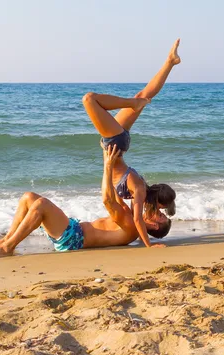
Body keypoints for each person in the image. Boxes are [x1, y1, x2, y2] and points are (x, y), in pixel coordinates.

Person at [0, 145, 171, 259]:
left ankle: (7, 248)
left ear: (154, 224)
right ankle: (5, 241)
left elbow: (106, 199)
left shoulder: (130, 226)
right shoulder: (129, 218)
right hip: (72, 229)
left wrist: (108, 166)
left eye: (160, 216)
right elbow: (115, 190)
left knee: (41, 204)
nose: (157, 211)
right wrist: (110, 160)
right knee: (29, 197)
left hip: (73, 238)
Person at [82, 39, 181, 248]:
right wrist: (149, 245)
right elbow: (137, 221)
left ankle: (170, 62)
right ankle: (133, 103)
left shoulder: (142, 186)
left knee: (143, 95)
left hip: (119, 140)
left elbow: (133, 217)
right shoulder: (139, 190)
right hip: (114, 140)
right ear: (158, 203)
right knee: (89, 99)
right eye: (162, 210)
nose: (159, 213)